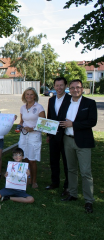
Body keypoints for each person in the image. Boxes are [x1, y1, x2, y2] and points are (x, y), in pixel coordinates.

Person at [60, 79, 97, 214]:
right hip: (67, 140)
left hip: (83, 141)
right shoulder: (66, 103)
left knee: (86, 172)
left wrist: (73, 124)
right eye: (72, 88)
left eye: (78, 87)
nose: (75, 90)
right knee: (71, 169)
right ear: (69, 89)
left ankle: (89, 200)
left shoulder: (90, 103)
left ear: (82, 88)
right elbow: (60, 119)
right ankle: (73, 194)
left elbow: (92, 121)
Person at [45, 77, 71, 195]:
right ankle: (55, 182)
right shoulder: (51, 100)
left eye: (61, 85)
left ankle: (68, 186)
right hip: (53, 136)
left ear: (65, 86)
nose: (59, 87)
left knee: (67, 162)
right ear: (54, 87)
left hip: (66, 135)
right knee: (53, 160)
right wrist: (48, 134)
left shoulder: (71, 99)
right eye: (57, 85)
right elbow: (50, 117)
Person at [18, 87, 45, 189]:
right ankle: (26, 178)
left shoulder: (39, 107)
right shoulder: (22, 107)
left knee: (32, 159)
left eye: (31, 94)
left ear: (35, 96)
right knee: (24, 157)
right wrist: (19, 126)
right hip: (24, 135)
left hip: (34, 135)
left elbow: (43, 124)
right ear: (24, 96)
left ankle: (34, 181)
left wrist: (32, 129)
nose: (29, 96)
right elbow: (22, 121)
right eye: (27, 94)